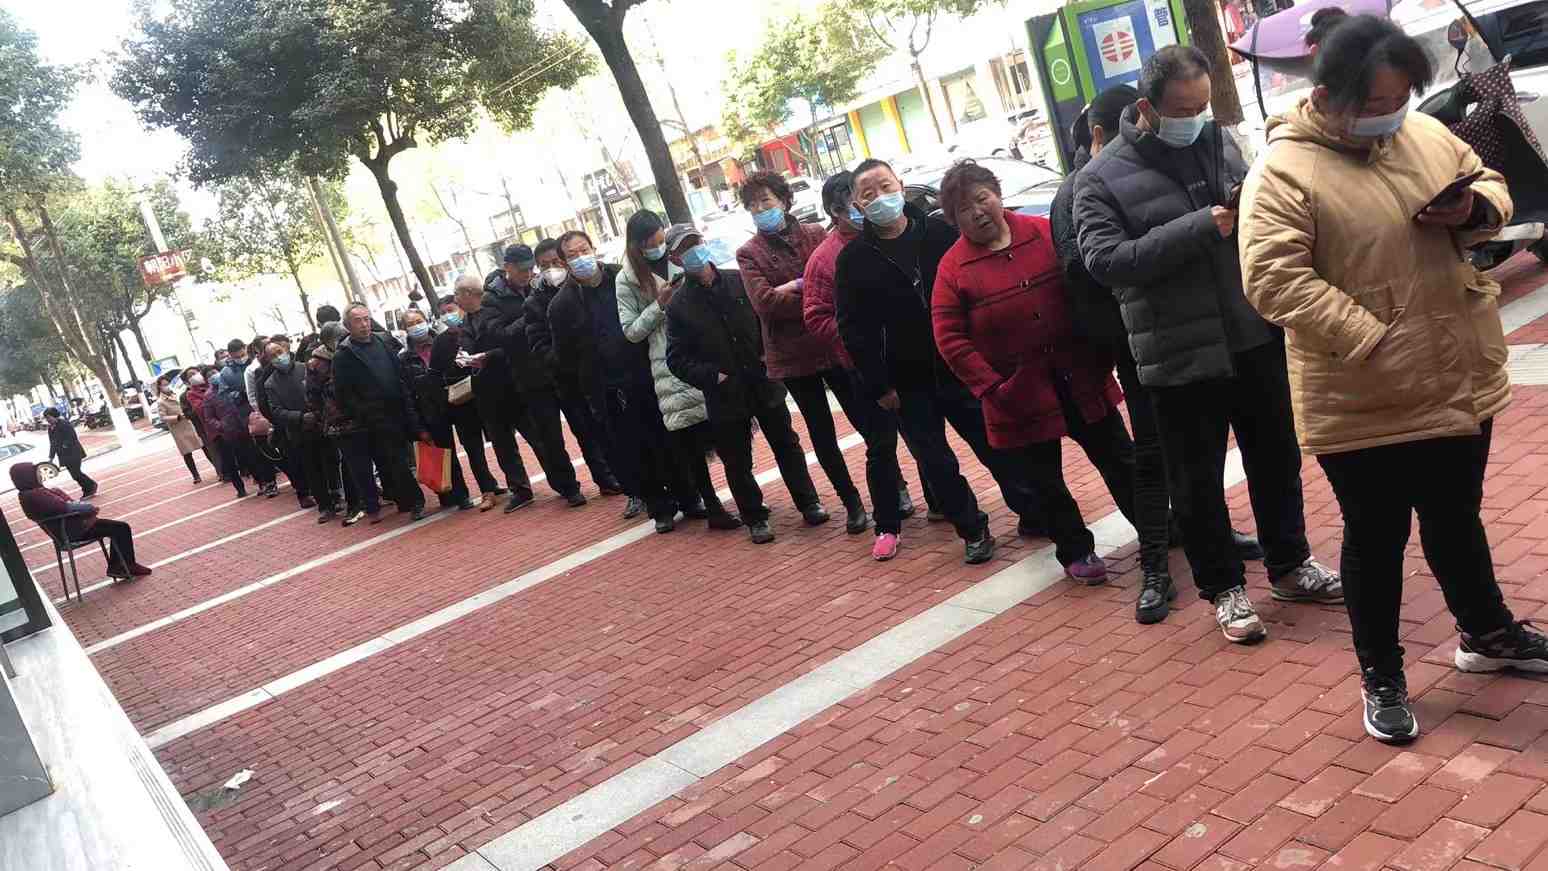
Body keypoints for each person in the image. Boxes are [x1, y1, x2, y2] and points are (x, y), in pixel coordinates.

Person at [1239, 13, 1546, 742]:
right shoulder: (1282, 171)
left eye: (1401, 98)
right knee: (1375, 538)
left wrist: (1472, 207)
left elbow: (1492, 183)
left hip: (1454, 372)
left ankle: (1486, 633)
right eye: (1377, 103)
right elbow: (1272, 278)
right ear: (1330, 95)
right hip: (1361, 391)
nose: (1392, 114)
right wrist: (1371, 337)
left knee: (1456, 515)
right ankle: (1382, 674)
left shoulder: (1423, 134)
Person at [1076, 45, 1341, 644]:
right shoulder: (1099, 179)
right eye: (1183, 110)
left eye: (1203, 106)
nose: (1196, 119)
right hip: (1177, 354)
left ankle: (1289, 563)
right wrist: (1202, 226)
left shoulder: (1219, 141)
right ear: (1147, 107)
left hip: (1251, 334)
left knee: (1276, 458)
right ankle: (1224, 589)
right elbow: (1105, 262)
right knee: (1196, 482)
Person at [934, 160, 1137, 583]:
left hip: (1080, 375)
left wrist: (1101, 349)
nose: (977, 212)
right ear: (954, 220)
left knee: (1121, 459)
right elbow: (950, 338)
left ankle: (1157, 526)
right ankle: (1075, 551)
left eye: (982, 199)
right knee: (1045, 481)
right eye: (963, 209)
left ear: (997, 194)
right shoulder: (953, 269)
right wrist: (993, 387)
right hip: (1018, 393)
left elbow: (1085, 291)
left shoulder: (1043, 232)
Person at [835, 158, 1044, 565]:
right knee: (935, 463)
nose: (880, 198)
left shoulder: (939, 232)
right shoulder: (854, 259)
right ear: (858, 206)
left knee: (995, 443)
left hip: (959, 365)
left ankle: (1032, 511)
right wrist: (879, 385)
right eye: (868, 194)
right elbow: (852, 329)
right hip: (905, 381)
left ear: (901, 185)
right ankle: (973, 529)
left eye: (885, 187)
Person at [803, 171, 941, 557]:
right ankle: (887, 524)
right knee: (880, 447)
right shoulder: (827, 258)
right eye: (856, 202)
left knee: (924, 440)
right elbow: (816, 316)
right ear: (837, 211)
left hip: (907, 364)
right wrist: (862, 337)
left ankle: (939, 500)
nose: (869, 205)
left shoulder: (890, 239)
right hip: (862, 369)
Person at [665, 226, 826, 545]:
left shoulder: (738, 280)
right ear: (675, 259)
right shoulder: (678, 305)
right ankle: (755, 517)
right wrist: (712, 376)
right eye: (685, 249)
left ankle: (809, 502)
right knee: (737, 460)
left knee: (787, 444)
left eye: (696, 243)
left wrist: (768, 354)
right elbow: (676, 358)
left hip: (762, 379)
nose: (694, 252)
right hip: (724, 393)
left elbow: (766, 318)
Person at [736, 170, 869, 535]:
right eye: (752, 205)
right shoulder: (748, 253)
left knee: (866, 419)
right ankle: (851, 502)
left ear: (784, 200)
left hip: (832, 343)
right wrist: (813, 292)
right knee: (821, 433)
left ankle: (895, 488)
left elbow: (839, 283)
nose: (760, 209)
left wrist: (794, 287)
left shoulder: (815, 234)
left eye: (766, 200)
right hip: (793, 357)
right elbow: (765, 304)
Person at [614, 218, 737, 530]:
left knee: (727, 433)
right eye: (650, 244)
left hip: (704, 348)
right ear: (636, 245)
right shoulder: (627, 279)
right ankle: (712, 505)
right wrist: (659, 305)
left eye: (660, 241)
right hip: (668, 362)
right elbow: (631, 331)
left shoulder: (680, 260)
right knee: (692, 440)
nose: (657, 248)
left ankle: (745, 497)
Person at [482, 244, 588, 507]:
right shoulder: (492, 298)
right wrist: (530, 315)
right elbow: (500, 336)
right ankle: (568, 488)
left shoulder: (541, 284)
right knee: (550, 438)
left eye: (531, 268)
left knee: (584, 425)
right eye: (522, 270)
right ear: (507, 268)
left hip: (557, 368)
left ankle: (606, 477)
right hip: (529, 377)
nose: (528, 274)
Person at [523, 239, 624, 501]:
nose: (552, 269)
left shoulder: (586, 287)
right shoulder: (536, 302)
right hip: (566, 379)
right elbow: (538, 343)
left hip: (601, 372)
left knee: (611, 428)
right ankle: (604, 479)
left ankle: (620, 478)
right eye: (545, 265)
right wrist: (560, 360)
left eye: (555, 262)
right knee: (586, 432)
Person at [331, 302, 429, 523]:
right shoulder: (344, 355)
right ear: (348, 325)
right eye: (358, 321)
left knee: (419, 449)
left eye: (366, 319)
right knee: (398, 460)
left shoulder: (383, 340)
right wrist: (364, 412)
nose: (364, 324)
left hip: (403, 407)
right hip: (377, 416)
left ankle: (430, 493)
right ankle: (416, 501)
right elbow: (342, 393)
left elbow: (400, 371)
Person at [453, 275, 537, 513]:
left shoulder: (494, 312)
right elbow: (466, 346)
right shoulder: (465, 321)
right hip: (486, 393)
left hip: (512, 385)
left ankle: (563, 483)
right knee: (502, 445)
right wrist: (464, 356)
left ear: (468, 293)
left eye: (457, 294)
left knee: (536, 436)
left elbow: (512, 344)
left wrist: (487, 356)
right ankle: (520, 489)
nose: (455, 299)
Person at [11, 463, 151, 581]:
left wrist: (65, 498)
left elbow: (65, 504)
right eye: (36, 473)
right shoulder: (35, 495)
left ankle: (119, 566)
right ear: (27, 477)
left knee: (116, 527)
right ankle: (123, 566)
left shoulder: (29, 495)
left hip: (70, 529)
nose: (40, 475)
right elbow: (65, 507)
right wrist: (89, 508)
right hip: (75, 531)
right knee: (121, 528)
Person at [398, 309, 477, 511]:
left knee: (473, 446)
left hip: (456, 399)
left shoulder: (443, 341)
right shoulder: (403, 358)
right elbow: (407, 393)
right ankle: (459, 495)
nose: (416, 326)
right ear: (405, 329)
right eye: (411, 324)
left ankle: (487, 486)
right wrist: (418, 426)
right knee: (445, 452)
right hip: (430, 409)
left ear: (426, 320)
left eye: (419, 321)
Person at [307, 322, 364, 523]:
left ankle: (375, 496)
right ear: (327, 342)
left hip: (362, 413)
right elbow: (312, 396)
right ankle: (354, 504)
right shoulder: (315, 364)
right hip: (339, 420)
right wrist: (326, 415)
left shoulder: (352, 351)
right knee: (349, 463)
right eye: (339, 339)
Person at [257, 340, 323, 511]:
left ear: (286, 349)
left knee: (326, 461)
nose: (279, 357)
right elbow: (265, 405)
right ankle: (309, 496)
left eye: (280, 352)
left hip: (317, 422)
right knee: (300, 463)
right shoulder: (266, 379)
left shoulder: (303, 368)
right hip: (289, 427)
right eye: (273, 355)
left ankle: (334, 494)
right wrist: (289, 419)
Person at [218, 337, 279, 497]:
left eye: (242, 354)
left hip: (269, 408)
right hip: (247, 415)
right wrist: (239, 395)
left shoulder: (256, 364)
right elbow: (224, 395)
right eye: (236, 357)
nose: (240, 358)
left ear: (246, 349)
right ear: (230, 355)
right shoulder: (226, 373)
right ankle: (267, 482)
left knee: (276, 444)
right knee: (258, 451)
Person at [154, 373, 205, 484]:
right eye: (164, 385)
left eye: (167, 383)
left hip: (190, 423)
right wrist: (177, 417)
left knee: (204, 446)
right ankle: (196, 476)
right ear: (159, 387)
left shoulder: (177, 393)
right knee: (187, 453)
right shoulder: (160, 401)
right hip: (178, 429)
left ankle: (219, 469)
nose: (166, 386)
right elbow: (163, 417)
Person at [42, 407, 96, 498]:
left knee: (76, 473)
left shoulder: (64, 424)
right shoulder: (50, 428)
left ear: (54, 416)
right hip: (64, 456)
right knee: (74, 474)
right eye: (46, 418)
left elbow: (72, 437)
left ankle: (90, 487)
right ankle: (88, 488)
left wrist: (64, 445)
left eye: (49, 417)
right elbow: (53, 443)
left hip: (73, 452)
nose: (48, 420)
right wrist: (51, 457)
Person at [180, 367, 222, 476]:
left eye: (197, 372)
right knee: (213, 450)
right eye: (191, 375)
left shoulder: (209, 385)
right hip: (202, 427)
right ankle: (222, 473)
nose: (196, 375)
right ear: (187, 380)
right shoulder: (185, 395)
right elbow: (189, 413)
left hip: (218, 421)